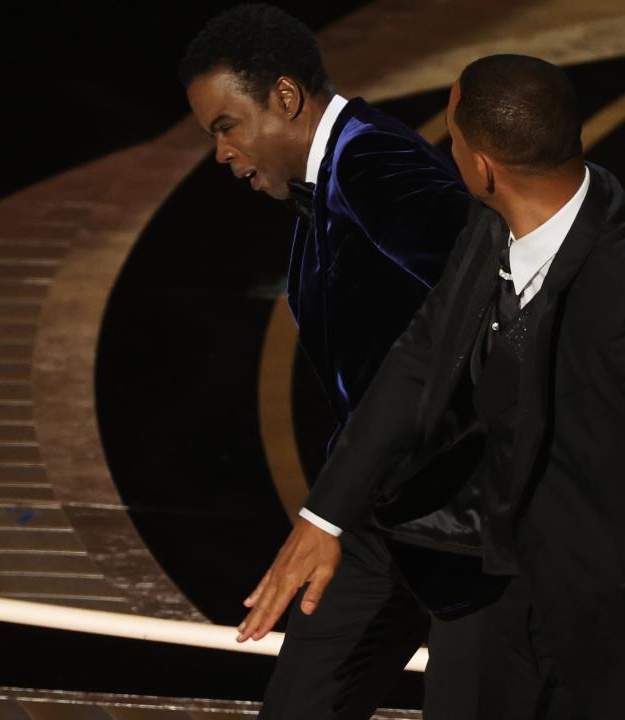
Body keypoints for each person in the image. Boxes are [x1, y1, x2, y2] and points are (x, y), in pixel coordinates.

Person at [238, 55, 625, 720]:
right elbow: (419, 356)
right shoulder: (494, 224)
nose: (446, 152)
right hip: (499, 600)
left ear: (483, 164)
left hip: (616, 631)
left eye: (453, 139)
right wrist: (326, 515)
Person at [179, 5, 490, 720]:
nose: (221, 153)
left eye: (225, 127)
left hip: (471, 527)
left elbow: (482, 312)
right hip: (378, 518)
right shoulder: (335, 179)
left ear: (285, 98)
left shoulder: (380, 165)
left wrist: (327, 515)